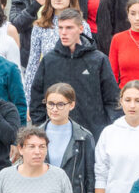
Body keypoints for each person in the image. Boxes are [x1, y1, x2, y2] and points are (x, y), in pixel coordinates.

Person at [28, 8, 120, 140]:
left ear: (81, 29)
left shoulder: (98, 60)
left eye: (69, 28)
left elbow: (112, 99)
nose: (64, 33)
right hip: (55, 135)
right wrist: (41, 128)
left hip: (93, 134)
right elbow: (37, 98)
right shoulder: (49, 60)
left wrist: (109, 131)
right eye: (60, 28)